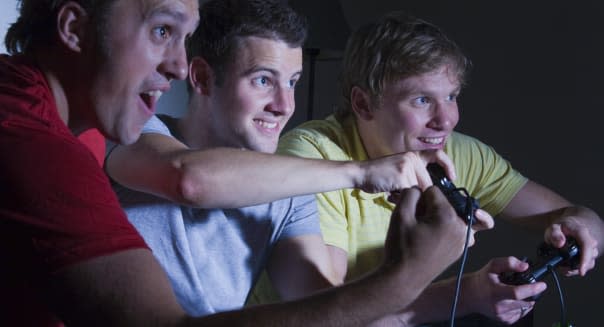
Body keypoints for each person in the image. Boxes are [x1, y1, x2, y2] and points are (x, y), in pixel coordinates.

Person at [104, 0, 489, 325]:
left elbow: (329, 312)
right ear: (203, 77)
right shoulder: (134, 131)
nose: (284, 105)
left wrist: (444, 276)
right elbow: (189, 180)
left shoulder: (289, 193)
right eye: (262, 81)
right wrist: (359, 173)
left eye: (292, 82)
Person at [276, 12, 604, 326]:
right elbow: (322, 314)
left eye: (451, 96)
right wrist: (464, 296)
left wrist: (576, 229)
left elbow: (586, 220)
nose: (446, 120)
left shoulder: (458, 152)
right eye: (421, 100)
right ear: (363, 104)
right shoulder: (312, 156)